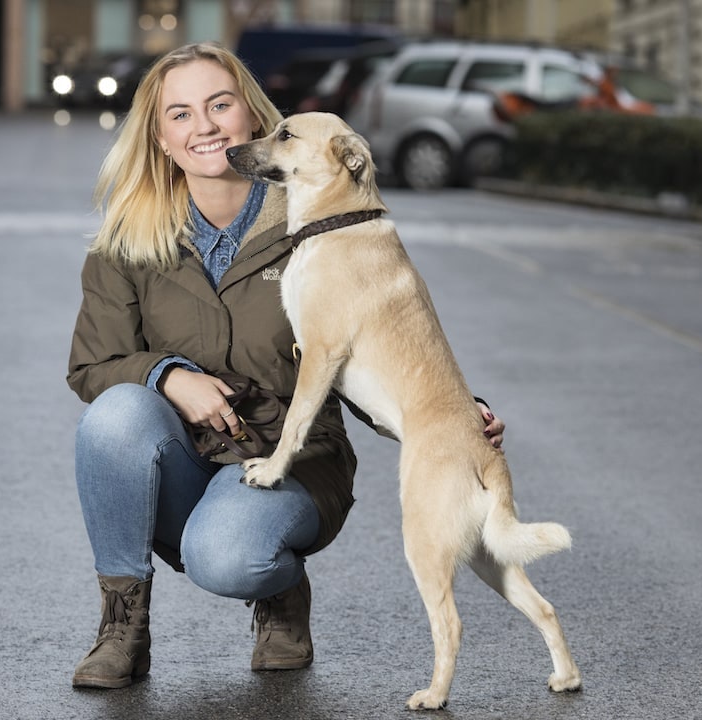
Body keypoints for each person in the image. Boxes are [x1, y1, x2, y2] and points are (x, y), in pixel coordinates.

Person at [65, 41, 505, 689]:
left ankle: (280, 592)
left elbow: (377, 348)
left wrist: (453, 415)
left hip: (294, 464)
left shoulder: (323, 226)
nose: (206, 126)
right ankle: (121, 628)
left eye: (220, 104)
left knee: (227, 558)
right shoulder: (128, 238)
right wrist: (169, 376)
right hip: (192, 459)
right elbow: (91, 365)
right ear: (160, 139)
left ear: (254, 116)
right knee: (114, 416)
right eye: (181, 114)